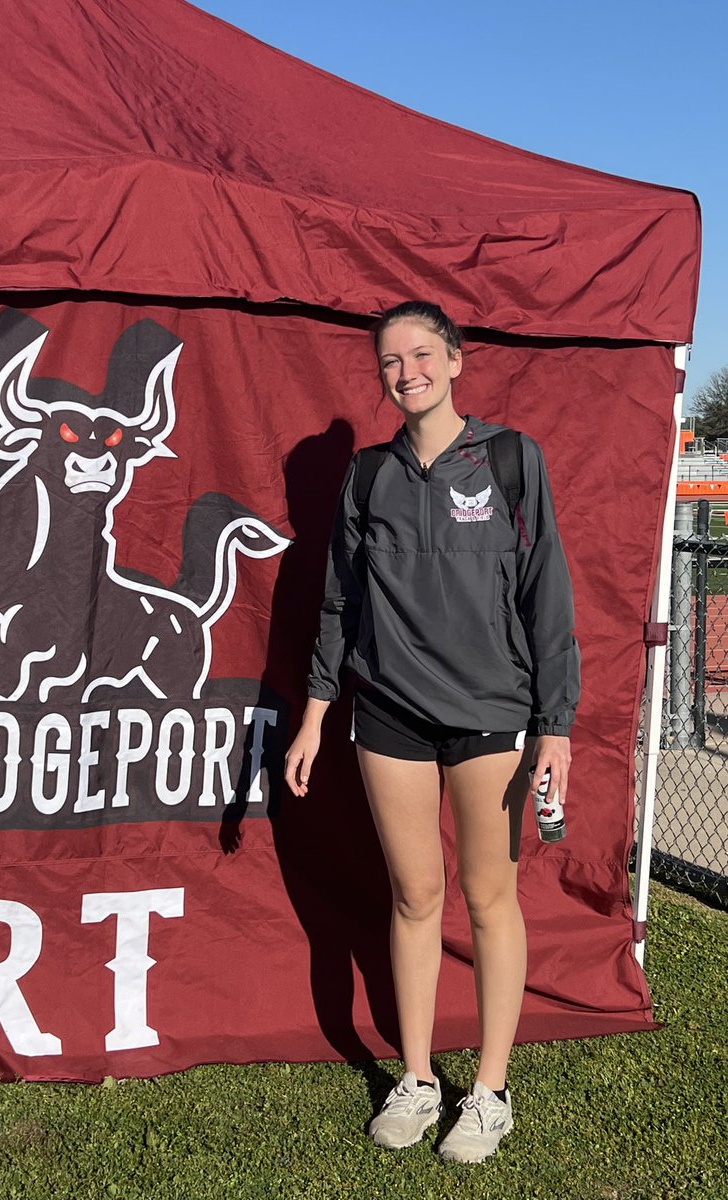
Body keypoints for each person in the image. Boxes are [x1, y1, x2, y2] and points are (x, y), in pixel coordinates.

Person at [284, 301, 579, 1164]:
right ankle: (417, 1078)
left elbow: (547, 592)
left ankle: (488, 1091)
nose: (405, 371)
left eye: (421, 353)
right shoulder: (368, 476)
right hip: (388, 716)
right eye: (389, 361)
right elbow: (338, 601)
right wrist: (313, 714)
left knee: (490, 899)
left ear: (455, 360)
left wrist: (554, 725)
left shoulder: (512, 459)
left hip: (493, 715)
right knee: (415, 898)